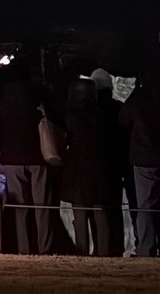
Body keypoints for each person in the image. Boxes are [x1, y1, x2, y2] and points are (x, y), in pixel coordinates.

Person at [0, 53, 54, 255]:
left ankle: (24, 249)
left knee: (20, 207)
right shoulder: (40, 93)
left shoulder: (3, 97)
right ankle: (46, 249)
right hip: (39, 156)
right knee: (43, 208)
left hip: (13, 157)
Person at [62, 78, 114, 257]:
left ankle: (82, 251)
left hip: (78, 168)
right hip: (100, 167)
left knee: (80, 212)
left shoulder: (71, 116)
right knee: (100, 211)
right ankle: (104, 251)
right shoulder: (102, 115)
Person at [119, 62, 160, 258]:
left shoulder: (138, 100)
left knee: (145, 204)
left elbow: (123, 122)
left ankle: (146, 246)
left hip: (144, 158)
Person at [89, 68, 132, 256]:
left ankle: (100, 246)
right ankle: (116, 246)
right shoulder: (118, 108)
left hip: (94, 164)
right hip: (116, 164)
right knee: (114, 208)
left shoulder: (89, 111)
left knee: (95, 208)